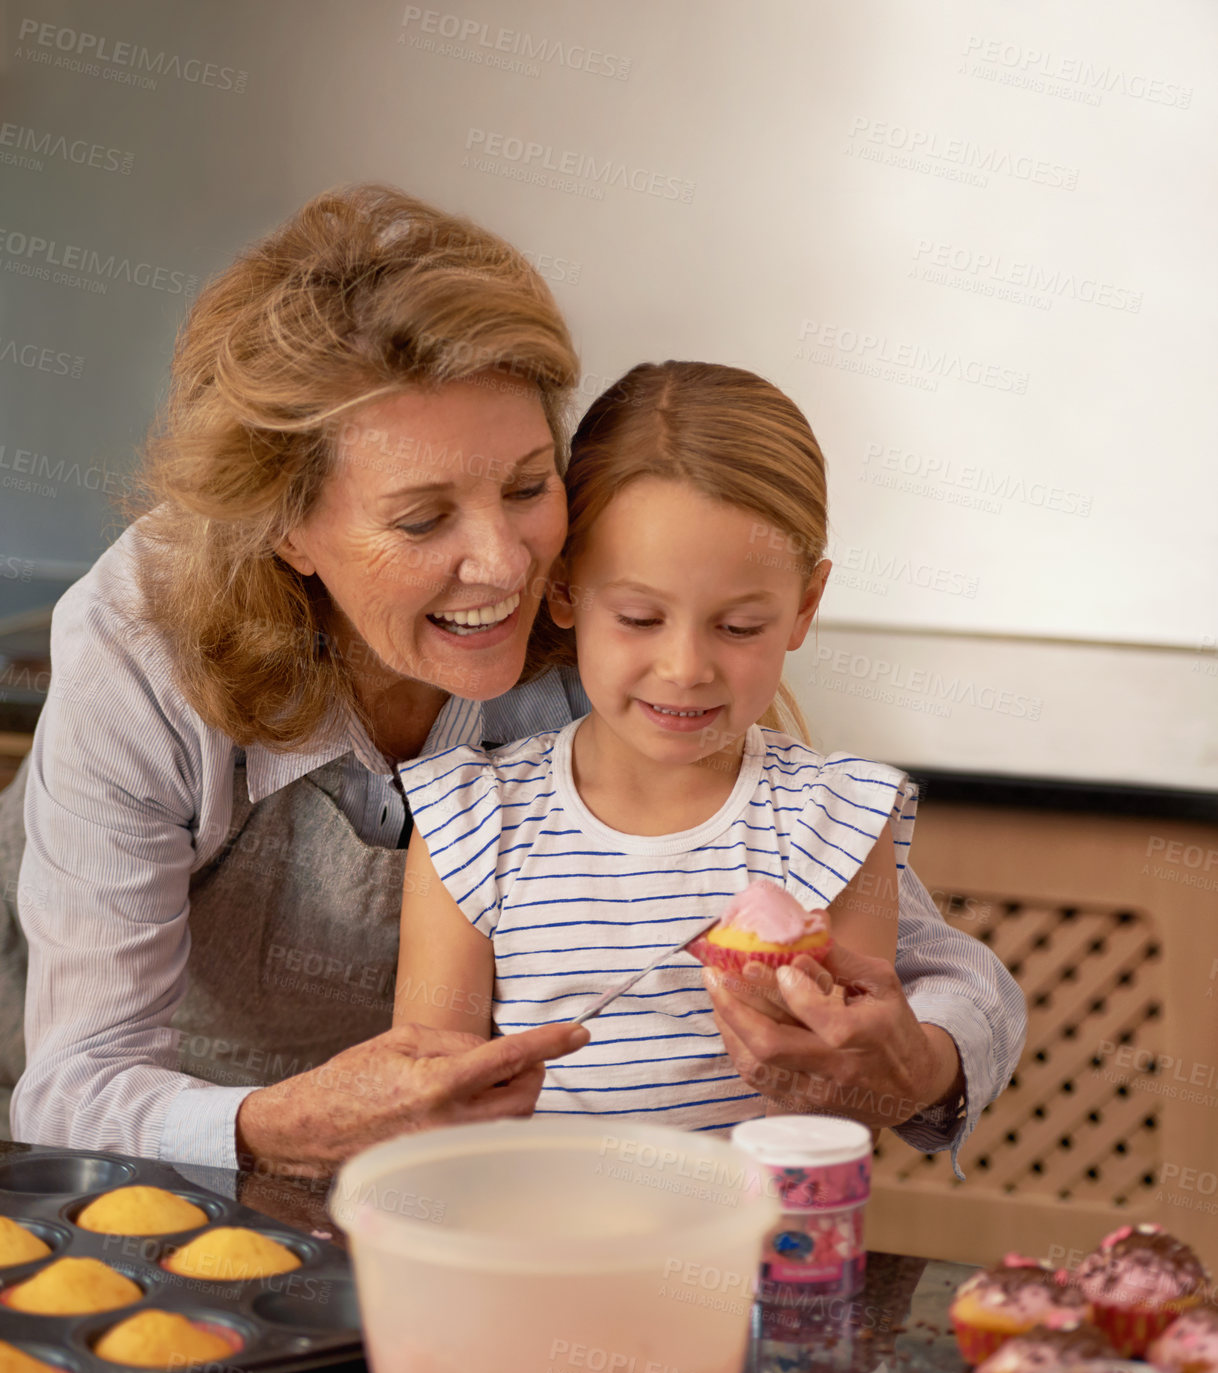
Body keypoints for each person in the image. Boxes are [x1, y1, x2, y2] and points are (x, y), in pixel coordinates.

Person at [0, 184, 1022, 1181]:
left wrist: (912, 1063)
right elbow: (73, 1087)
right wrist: (283, 1122)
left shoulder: (612, 622)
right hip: (131, 1168)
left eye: (530, 486)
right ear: (287, 525)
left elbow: (933, 972)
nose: (507, 564)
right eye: (421, 518)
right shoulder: (144, 640)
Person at [393, 363, 1026, 1169]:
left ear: (803, 608)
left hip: (755, 1268)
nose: (686, 667)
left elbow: (846, 1117)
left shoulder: (839, 822)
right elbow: (429, 1112)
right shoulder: (469, 819)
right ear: (561, 593)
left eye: (738, 626)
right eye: (638, 617)